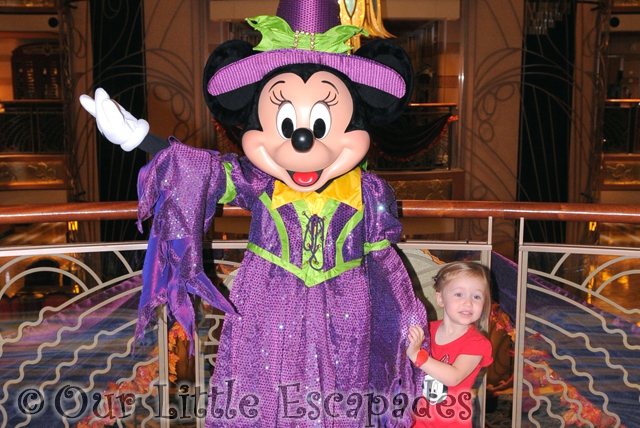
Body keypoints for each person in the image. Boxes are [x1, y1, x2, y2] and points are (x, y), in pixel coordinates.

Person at [406, 262, 493, 427]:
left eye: (476, 296)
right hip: (416, 421)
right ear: (440, 299)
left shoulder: (477, 344)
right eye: (459, 294)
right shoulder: (426, 330)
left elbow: (454, 377)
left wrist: (416, 355)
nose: (468, 303)